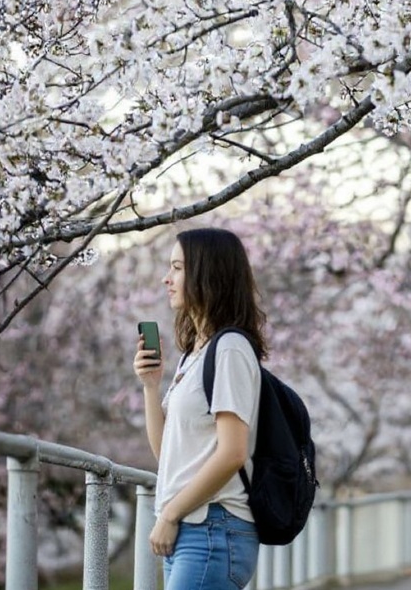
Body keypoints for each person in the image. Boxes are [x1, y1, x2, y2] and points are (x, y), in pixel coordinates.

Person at [133, 228, 266, 590]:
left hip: (213, 529)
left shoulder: (230, 349)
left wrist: (170, 514)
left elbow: (233, 452)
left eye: (177, 268)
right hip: (192, 530)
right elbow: (168, 455)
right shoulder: (195, 354)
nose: (167, 278)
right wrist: (151, 386)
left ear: (207, 275)